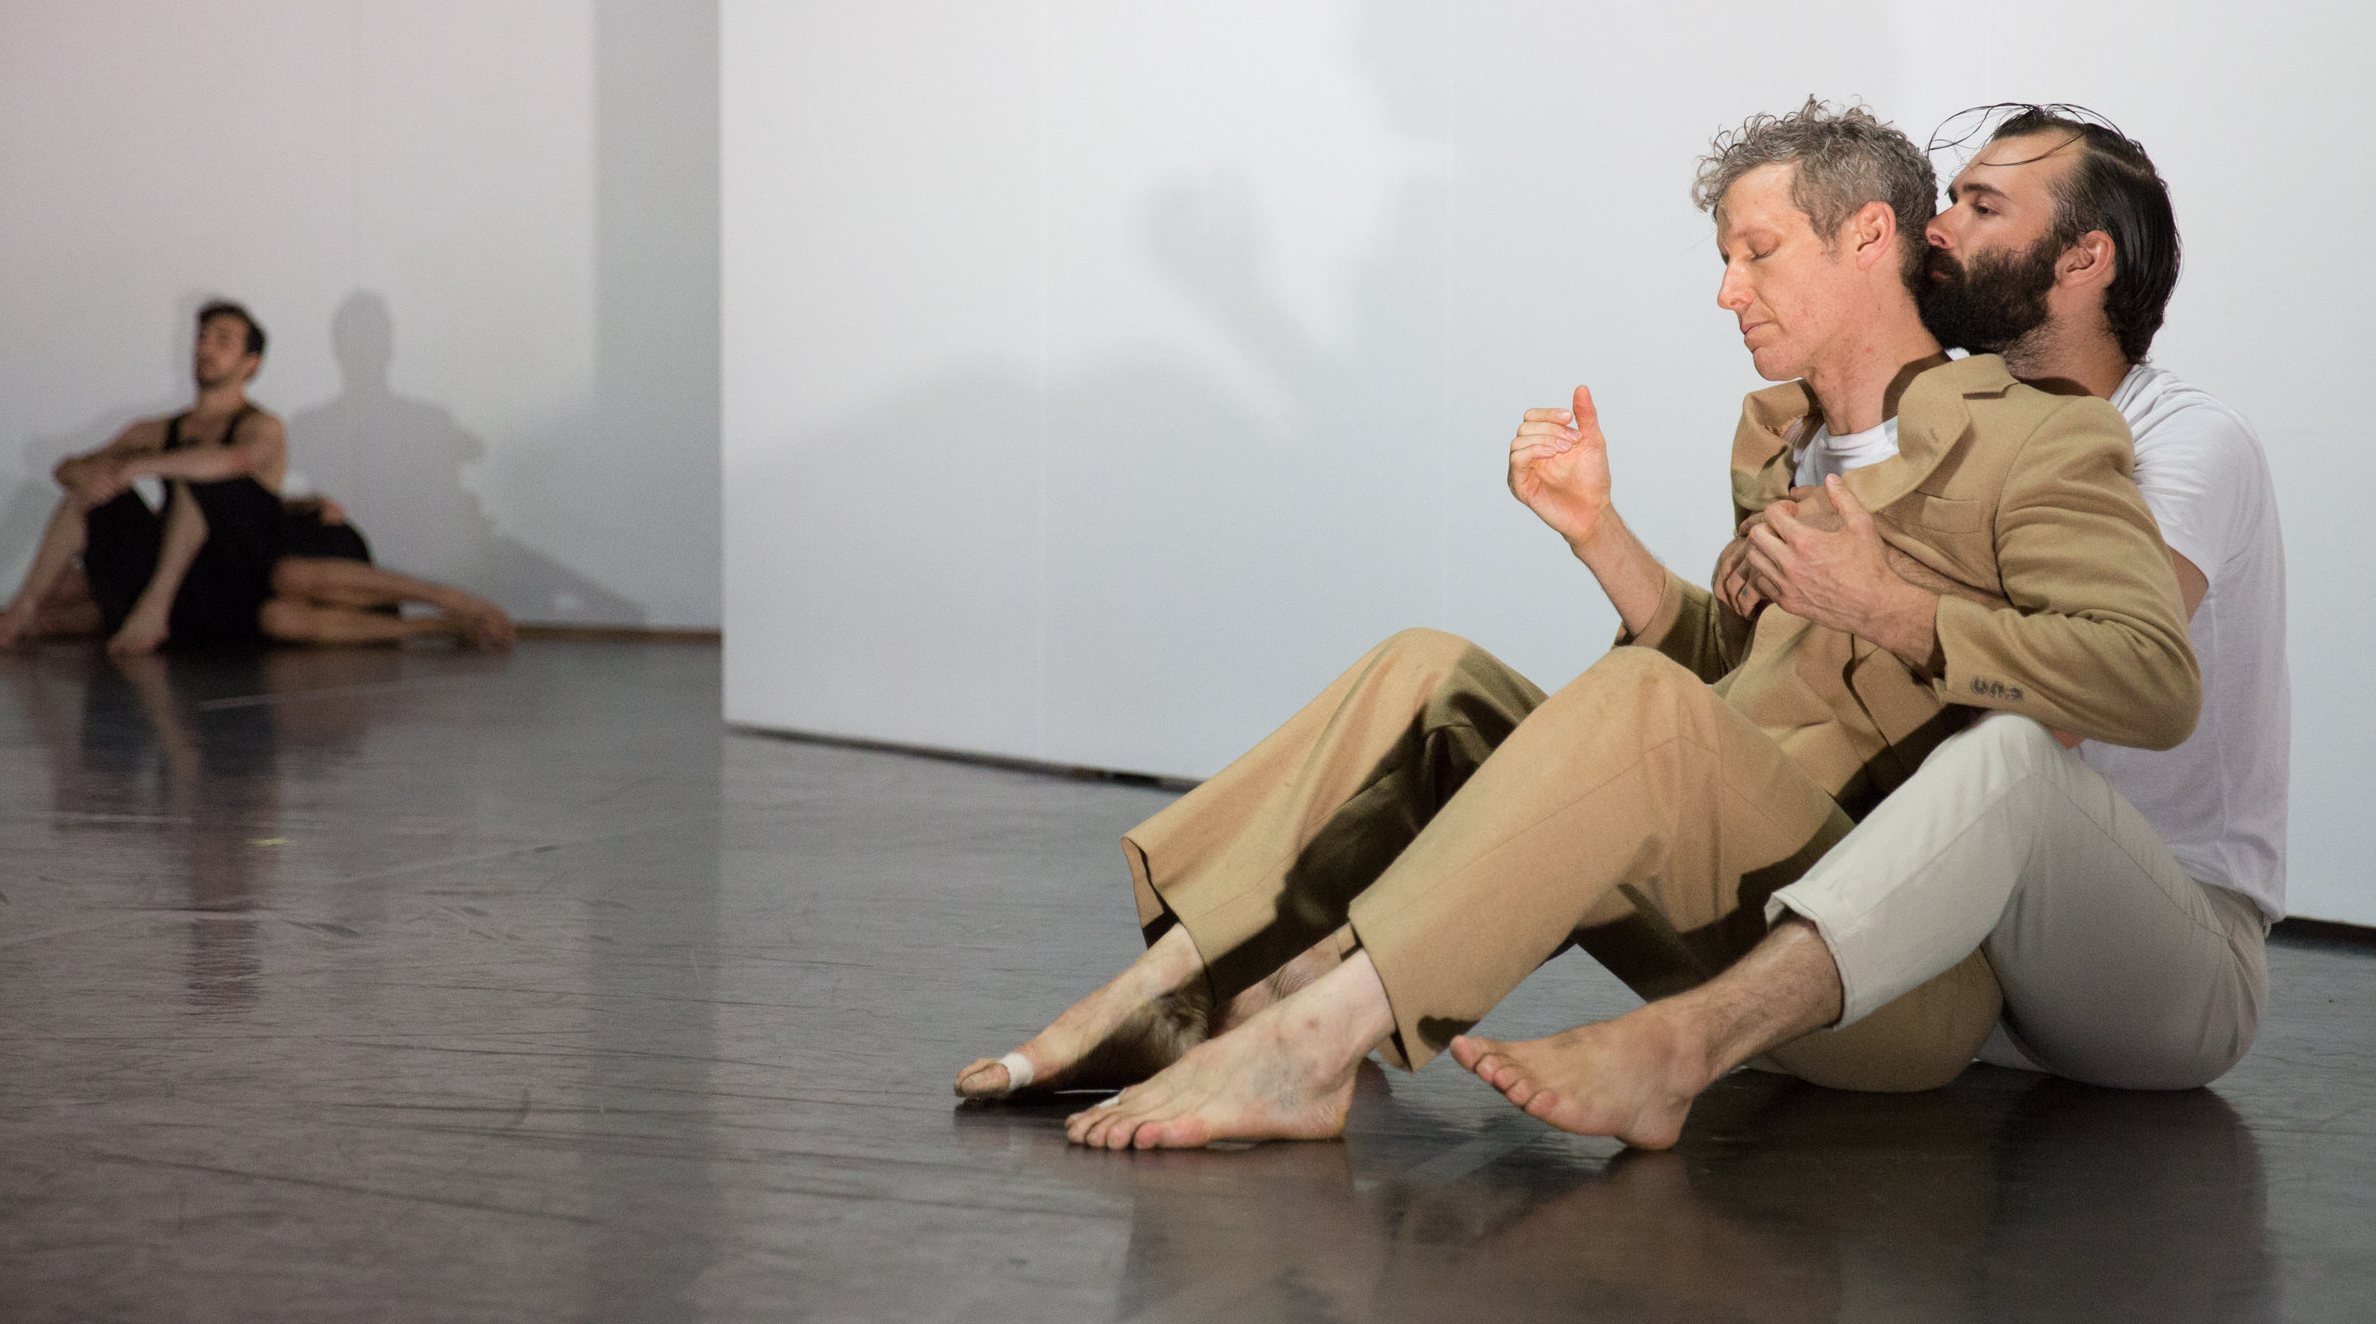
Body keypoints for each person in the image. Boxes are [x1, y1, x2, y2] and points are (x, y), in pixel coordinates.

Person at [955, 99, 2200, 1151]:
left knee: (1634, 709)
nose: (1726, 291)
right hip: (1719, 894)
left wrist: (1899, 605)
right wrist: (1596, 531)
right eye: (1726, 257)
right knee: (1426, 667)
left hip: (1882, 979)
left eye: (1758, 252)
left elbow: (2151, 677)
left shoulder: (2040, 435)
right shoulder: (1776, 438)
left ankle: (1311, 1045)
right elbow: (1749, 692)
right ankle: (1174, 983)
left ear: (1867, 237)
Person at [1453, 106, 2286, 1143]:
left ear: (2083, 258)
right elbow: (1768, 681)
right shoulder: (1902, 432)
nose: (1936, 226)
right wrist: (1607, 538)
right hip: (1947, 950)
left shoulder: (2183, 439)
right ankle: (1347, 981)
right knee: (1590, 738)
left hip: (2158, 961)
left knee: (2019, 760)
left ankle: (1682, 1048)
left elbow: (2088, 689)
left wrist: (1867, 600)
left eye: (1980, 207)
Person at [0, 300, 515, 654]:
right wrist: (91, 472)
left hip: (259, 555)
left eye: (222, 341)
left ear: (250, 363)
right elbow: (71, 466)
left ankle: (449, 605)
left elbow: (229, 465)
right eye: (203, 339)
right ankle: (12, 614)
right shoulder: (161, 428)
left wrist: (135, 468)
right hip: (202, 578)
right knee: (89, 506)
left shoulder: (264, 426)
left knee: (277, 571)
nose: (206, 349)